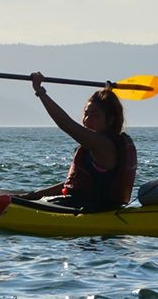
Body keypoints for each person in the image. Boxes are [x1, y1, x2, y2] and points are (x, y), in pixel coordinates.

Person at [20, 75, 136, 212]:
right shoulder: (107, 143)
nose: (87, 119)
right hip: (90, 207)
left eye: (94, 115)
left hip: (92, 211)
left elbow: (66, 124)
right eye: (86, 114)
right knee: (31, 199)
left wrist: (40, 91)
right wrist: (34, 195)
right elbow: (73, 185)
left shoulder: (103, 145)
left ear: (110, 120)